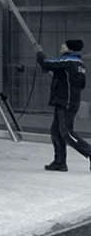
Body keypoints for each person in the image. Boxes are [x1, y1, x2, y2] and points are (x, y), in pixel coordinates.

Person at [36, 40, 91, 172]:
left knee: (66, 132)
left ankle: (89, 151)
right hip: (69, 101)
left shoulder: (67, 61)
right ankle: (59, 162)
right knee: (56, 132)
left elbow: (46, 63)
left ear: (70, 49)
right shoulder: (80, 64)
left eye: (64, 45)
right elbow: (82, 85)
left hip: (65, 102)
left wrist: (39, 52)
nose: (61, 46)